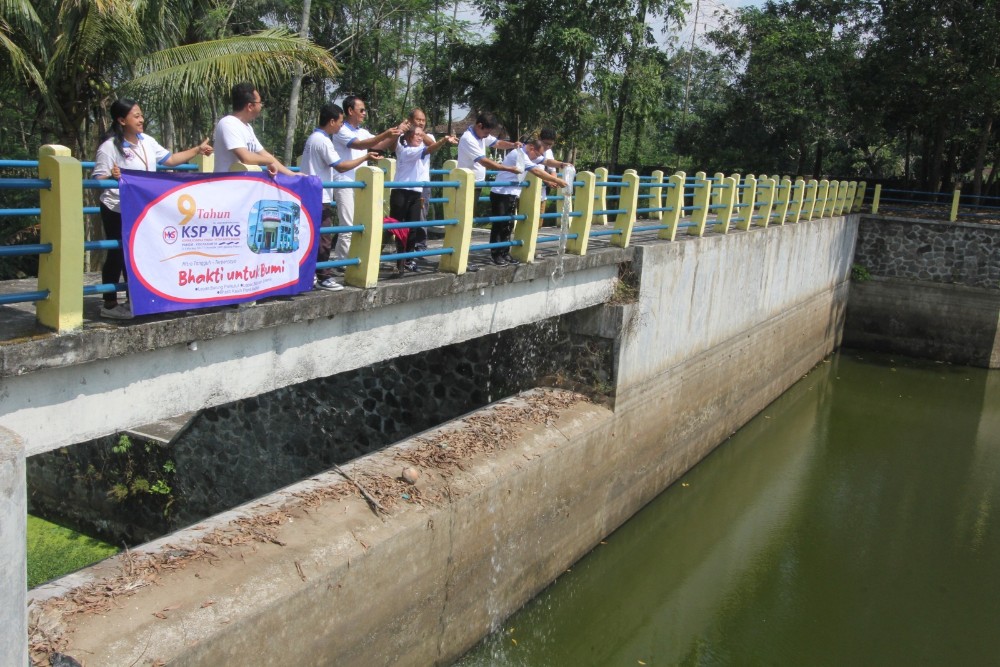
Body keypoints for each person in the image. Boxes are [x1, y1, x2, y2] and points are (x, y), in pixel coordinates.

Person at [92, 98, 213, 320]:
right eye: (136, 116)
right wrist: (113, 176)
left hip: (140, 209)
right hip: (116, 207)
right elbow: (98, 179)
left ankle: (133, 300)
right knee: (117, 252)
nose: (141, 119)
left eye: (141, 115)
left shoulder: (146, 141)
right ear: (121, 120)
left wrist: (197, 149)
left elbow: (171, 159)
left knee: (139, 253)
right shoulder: (109, 147)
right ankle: (109, 304)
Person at [300, 103, 381, 291]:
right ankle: (323, 276)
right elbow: (340, 166)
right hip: (319, 195)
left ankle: (311, 274)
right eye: (340, 122)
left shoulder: (314, 138)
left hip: (311, 193)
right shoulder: (323, 140)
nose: (340, 126)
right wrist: (365, 157)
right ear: (331, 121)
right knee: (324, 238)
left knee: (313, 237)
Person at [330, 96, 409, 264]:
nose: (365, 113)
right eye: (362, 110)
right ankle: (343, 262)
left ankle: (354, 258)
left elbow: (380, 144)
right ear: (350, 111)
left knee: (361, 224)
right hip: (344, 182)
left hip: (362, 185)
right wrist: (387, 132)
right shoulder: (342, 130)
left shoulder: (362, 132)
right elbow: (360, 145)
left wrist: (397, 132)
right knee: (348, 224)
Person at [488, 137, 568, 265]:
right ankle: (496, 255)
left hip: (511, 193)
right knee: (500, 225)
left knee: (508, 225)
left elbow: (546, 161)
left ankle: (504, 253)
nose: (538, 157)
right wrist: (557, 180)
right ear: (531, 148)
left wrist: (561, 164)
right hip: (501, 193)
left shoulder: (529, 154)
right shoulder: (520, 154)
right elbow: (536, 171)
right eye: (537, 153)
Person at [391, 126, 458, 272]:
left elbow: (428, 150)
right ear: (408, 137)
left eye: (422, 135)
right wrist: (443, 140)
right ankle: (399, 260)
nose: (420, 137)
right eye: (417, 135)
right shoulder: (406, 150)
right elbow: (429, 149)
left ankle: (408, 260)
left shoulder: (419, 151)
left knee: (413, 228)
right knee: (399, 229)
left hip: (415, 192)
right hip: (401, 192)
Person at [213, 83, 296, 176]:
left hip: (242, 186)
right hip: (227, 186)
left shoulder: (248, 127)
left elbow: (264, 154)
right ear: (250, 106)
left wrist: (292, 175)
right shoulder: (228, 123)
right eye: (260, 102)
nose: (261, 106)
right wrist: (269, 161)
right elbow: (246, 158)